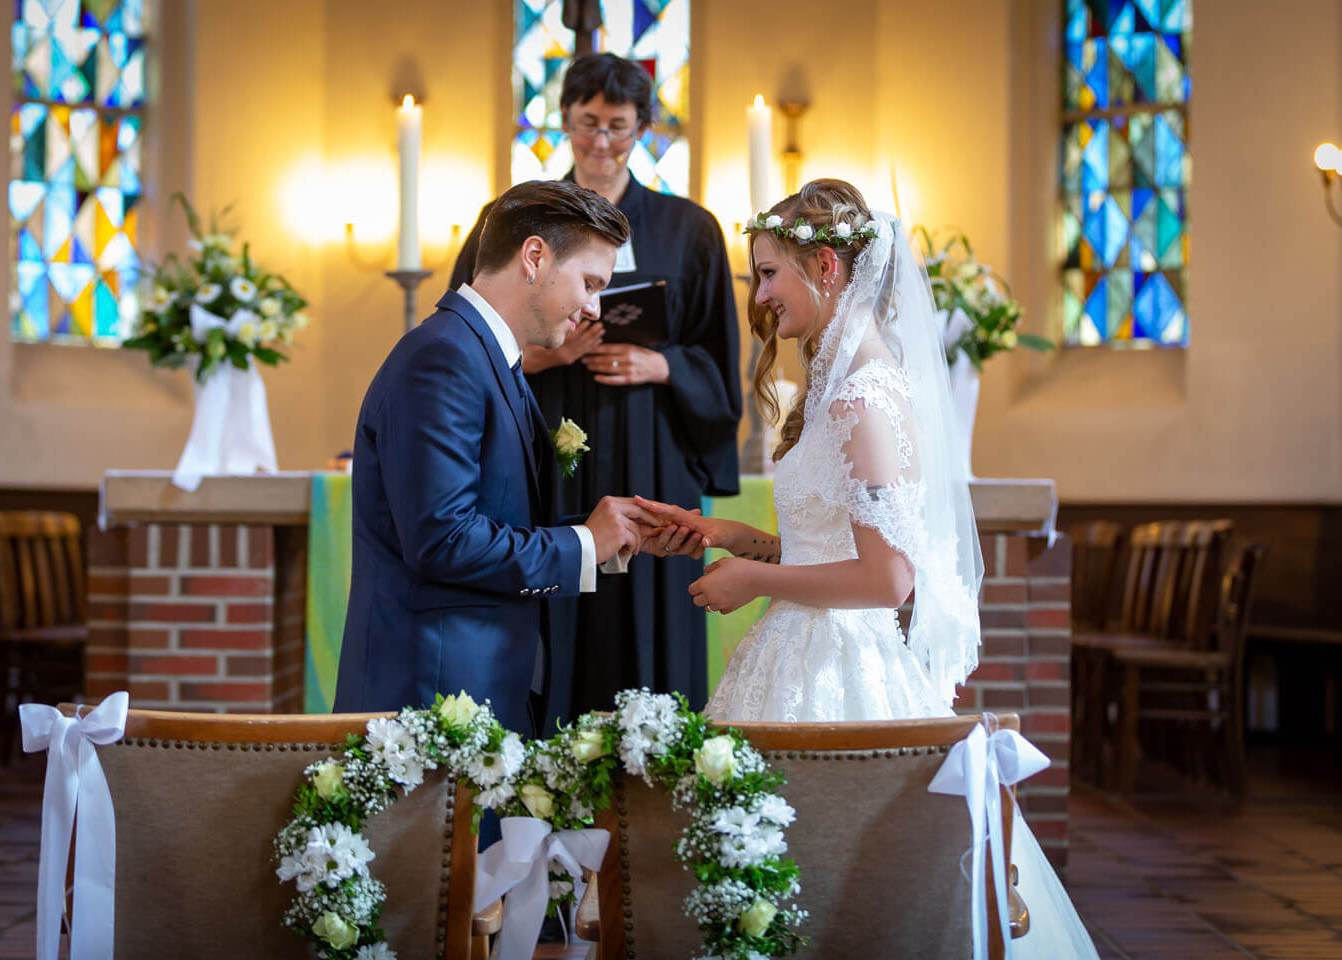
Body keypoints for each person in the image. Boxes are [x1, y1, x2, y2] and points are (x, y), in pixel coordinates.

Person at [642, 179, 1100, 958]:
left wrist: (753, 582)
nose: (760, 297)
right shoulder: (838, 389)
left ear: (825, 265)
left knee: (826, 887)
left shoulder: (864, 397)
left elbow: (889, 581)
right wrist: (736, 538)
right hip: (800, 649)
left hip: (841, 669)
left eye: (768, 273)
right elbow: (839, 550)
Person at [451, 53, 742, 725]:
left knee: (649, 636)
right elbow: (469, 333)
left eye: (618, 125)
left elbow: (718, 360)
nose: (601, 143)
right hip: (545, 452)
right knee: (554, 621)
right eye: (587, 124)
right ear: (563, 121)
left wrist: (662, 365)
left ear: (643, 126)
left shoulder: (688, 228)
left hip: (653, 456)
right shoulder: (514, 216)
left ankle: (654, 789)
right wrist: (551, 355)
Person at [333, 179, 663, 739]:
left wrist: (603, 534)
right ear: (534, 257)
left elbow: (490, 519)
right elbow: (442, 541)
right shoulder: (443, 358)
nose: (593, 307)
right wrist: (582, 544)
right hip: (431, 697)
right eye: (589, 283)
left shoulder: (483, 354)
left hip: (476, 684)